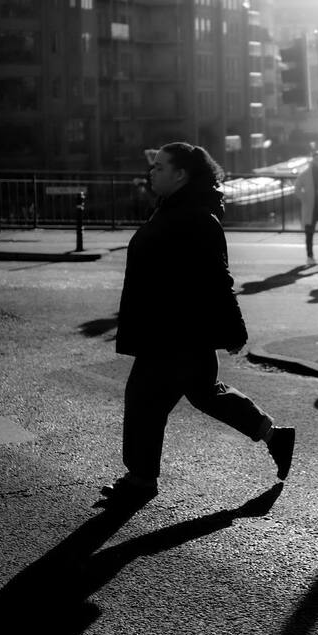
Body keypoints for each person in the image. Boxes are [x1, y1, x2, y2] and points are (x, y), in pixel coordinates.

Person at [103, 142, 295, 500]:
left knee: (144, 400)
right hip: (177, 331)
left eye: (159, 167)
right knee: (208, 394)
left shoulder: (195, 217)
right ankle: (275, 436)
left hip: (176, 333)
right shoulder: (176, 209)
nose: (152, 172)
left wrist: (235, 329)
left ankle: (142, 480)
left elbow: (218, 278)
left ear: (181, 174)